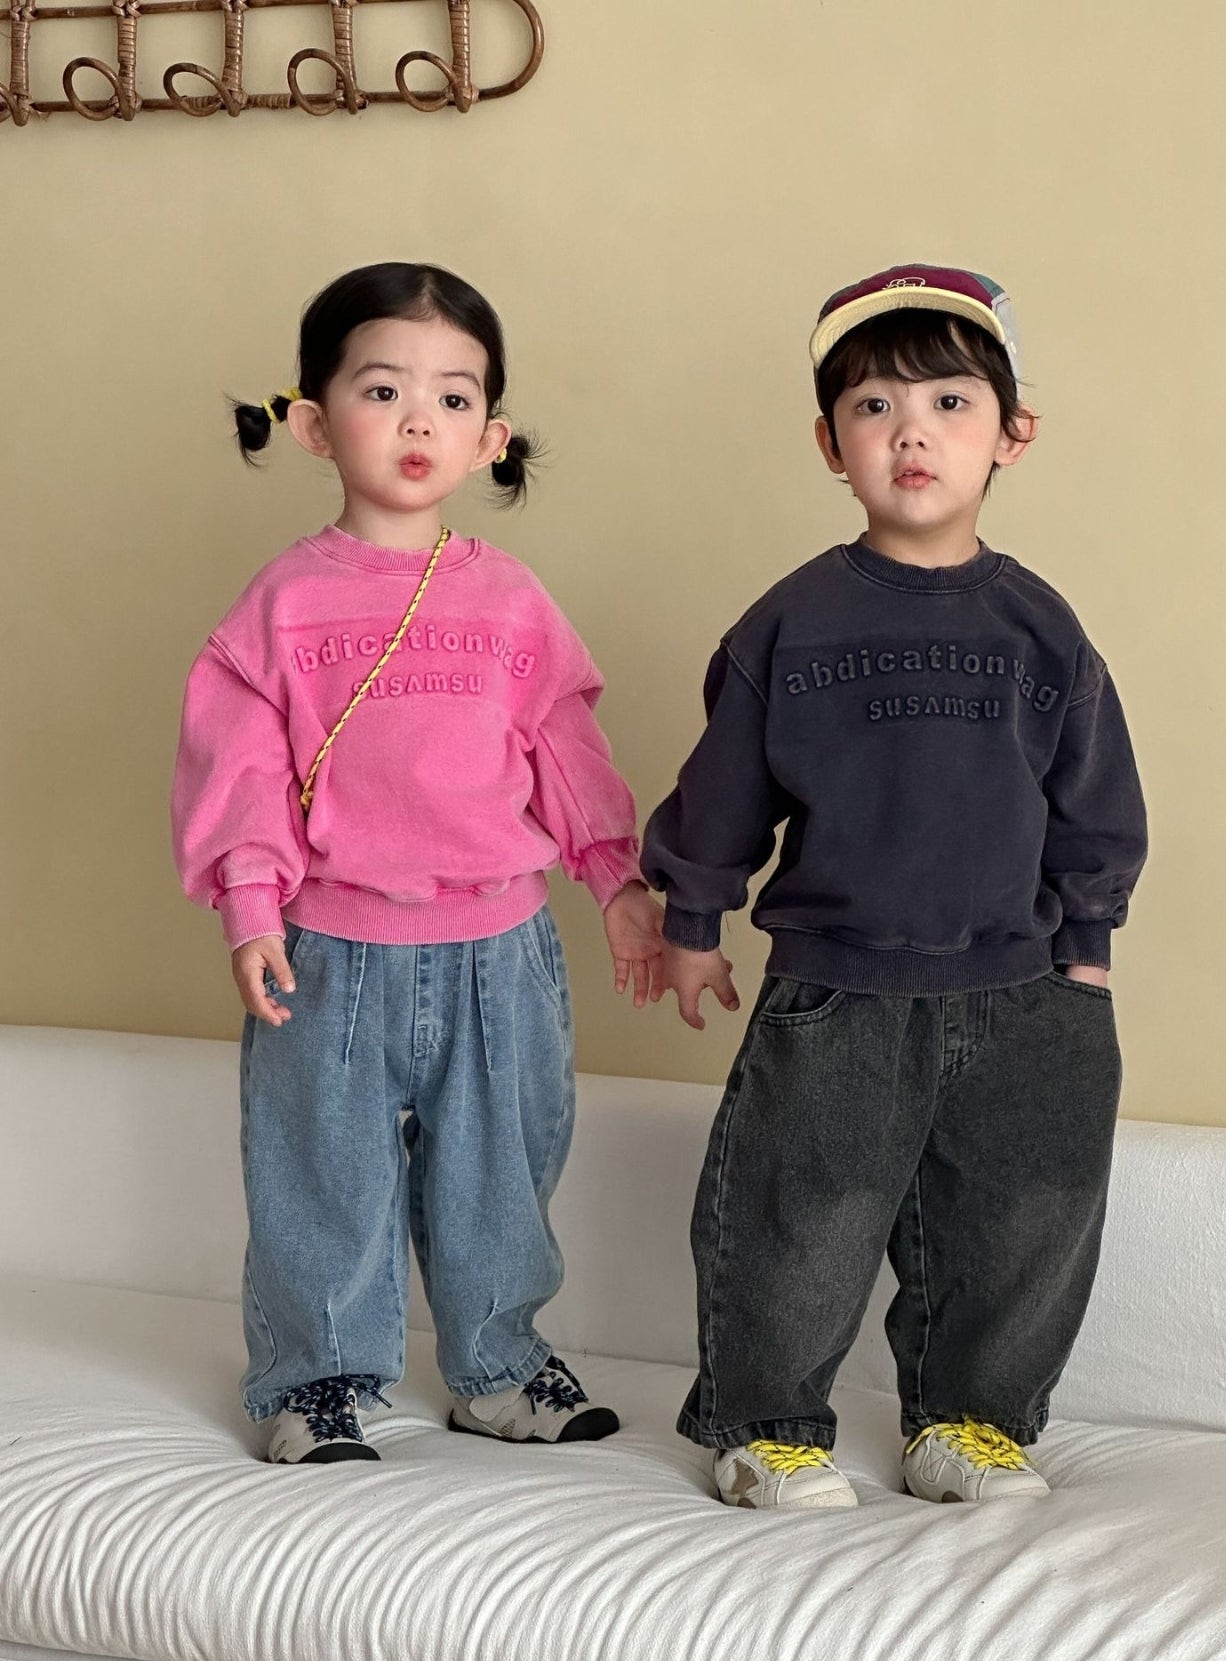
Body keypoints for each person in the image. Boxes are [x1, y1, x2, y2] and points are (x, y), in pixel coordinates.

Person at [641, 265, 1147, 1509]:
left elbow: (1092, 794)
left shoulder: (1041, 630)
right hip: (837, 989)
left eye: (947, 402)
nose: (909, 432)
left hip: (1024, 986)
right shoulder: (790, 624)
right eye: (872, 407)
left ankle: (968, 1420)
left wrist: (1085, 945)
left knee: (1022, 1213)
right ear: (830, 444)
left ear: (1009, 434)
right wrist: (691, 921)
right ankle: (766, 1422)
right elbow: (721, 790)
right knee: (799, 1210)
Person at [172, 261, 663, 1465]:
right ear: (312, 421)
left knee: (502, 1166)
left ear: (490, 436)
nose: (416, 420)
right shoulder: (282, 604)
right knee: (321, 1169)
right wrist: (250, 904)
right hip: (329, 946)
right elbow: (240, 766)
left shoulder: (512, 602)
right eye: (382, 388)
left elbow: (565, 750)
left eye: (452, 397)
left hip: (502, 947)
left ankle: (498, 1363)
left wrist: (617, 882)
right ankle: (319, 1378)